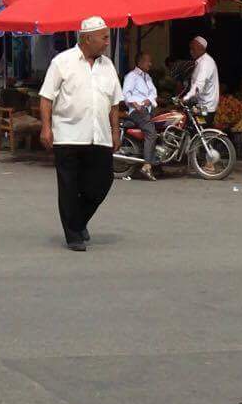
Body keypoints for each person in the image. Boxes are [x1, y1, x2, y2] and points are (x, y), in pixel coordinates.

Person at [39, 16, 123, 252]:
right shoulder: (62, 62)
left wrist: (115, 131)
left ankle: (78, 221)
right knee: (69, 186)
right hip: (68, 135)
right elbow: (46, 97)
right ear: (87, 38)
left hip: (100, 136)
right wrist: (46, 127)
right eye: (103, 37)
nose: (107, 42)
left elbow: (114, 103)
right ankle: (73, 235)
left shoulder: (108, 66)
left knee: (102, 182)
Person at [122, 52, 160, 181]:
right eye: (148, 61)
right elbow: (126, 94)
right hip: (137, 111)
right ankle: (147, 166)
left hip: (148, 109)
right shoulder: (131, 76)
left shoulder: (147, 77)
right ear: (140, 62)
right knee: (151, 133)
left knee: (159, 129)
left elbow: (153, 92)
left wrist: (149, 100)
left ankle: (156, 164)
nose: (150, 64)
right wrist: (135, 104)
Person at [183, 36, 220, 125]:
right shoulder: (200, 62)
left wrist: (186, 98)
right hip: (201, 105)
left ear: (201, 48)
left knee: (199, 127)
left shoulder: (206, 63)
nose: (191, 51)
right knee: (189, 123)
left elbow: (199, 85)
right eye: (190, 49)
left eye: (193, 48)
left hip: (205, 108)